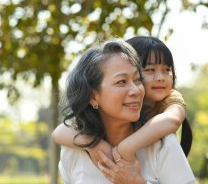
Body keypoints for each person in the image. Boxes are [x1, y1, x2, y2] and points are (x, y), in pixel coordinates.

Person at [58, 39, 202, 184]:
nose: (136, 90)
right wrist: (96, 145)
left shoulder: (161, 143)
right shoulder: (73, 148)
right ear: (93, 96)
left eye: (137, 80)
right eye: (121, 82)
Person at [52, 36, 192, 163]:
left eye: (167, 70)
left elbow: (172, 120)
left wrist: (125, 148)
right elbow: (59, 133)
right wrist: (95, 145)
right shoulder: (119, 101)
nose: (161, 77)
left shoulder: (171, 97)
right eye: (150, 70)